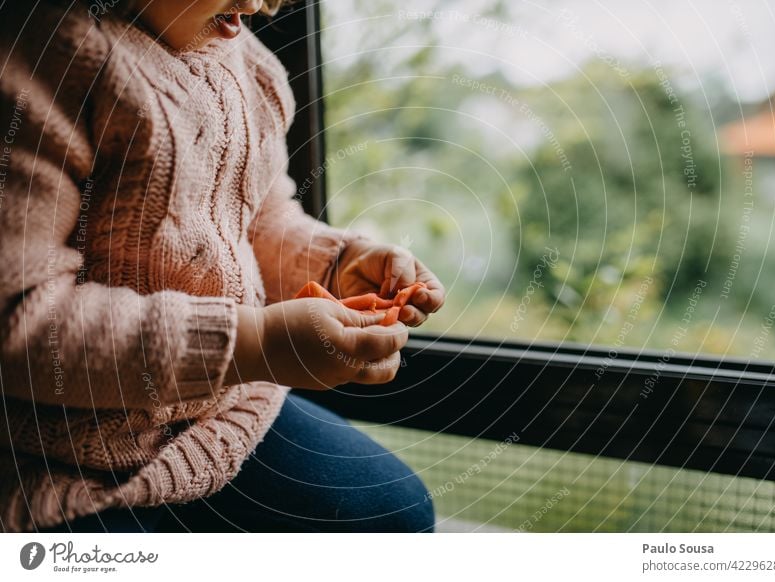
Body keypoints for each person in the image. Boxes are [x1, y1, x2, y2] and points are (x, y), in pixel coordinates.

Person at [0, 0, 445, 533]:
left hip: (220, 411)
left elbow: (258, 214)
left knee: (398, 511)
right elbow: (19, 315)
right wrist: (252, 344)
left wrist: (337, 264)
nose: (266, 4)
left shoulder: (247, 63)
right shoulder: (47, 58)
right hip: (52, 450)